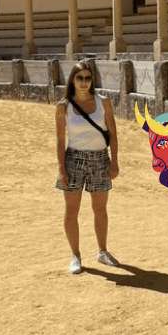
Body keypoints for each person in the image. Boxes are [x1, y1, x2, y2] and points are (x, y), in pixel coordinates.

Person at [55, 61, 120, 274]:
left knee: (100, 209)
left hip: (100, 159)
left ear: (92, 80)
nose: (84, 82)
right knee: (71, 210)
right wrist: (62, 169)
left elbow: (112, 133)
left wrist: (115, 160)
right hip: (73, 159)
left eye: (87, 78)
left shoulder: (104, 102)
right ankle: (75, 255)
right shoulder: (64, 106)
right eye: (79, 78)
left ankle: (102, 251)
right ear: (72, 80)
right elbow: (60, 139)